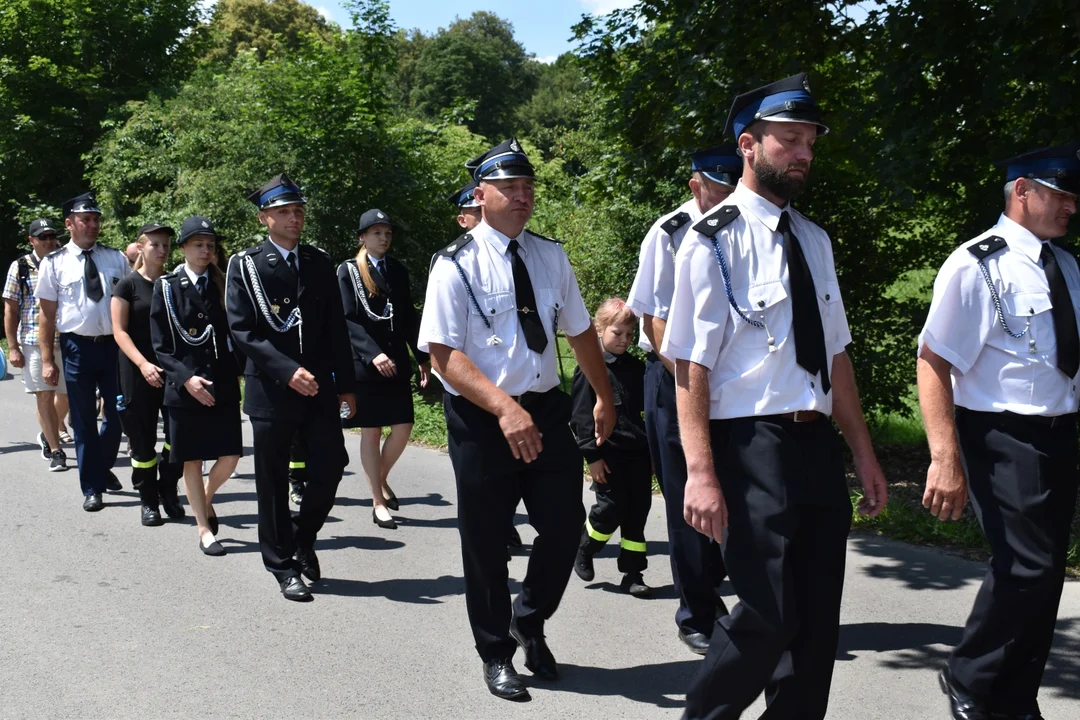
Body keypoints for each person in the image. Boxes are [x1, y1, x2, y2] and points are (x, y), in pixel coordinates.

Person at [664, 74, 888, 719]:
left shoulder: (813, 240)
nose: (803, 153)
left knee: (817, 621)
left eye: (809, 142)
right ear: (748, 144)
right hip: (749, 443)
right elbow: (690, 366)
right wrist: (700, 473)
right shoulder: (713, 241)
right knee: (769, 610)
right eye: (789, 140)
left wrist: (864, 455)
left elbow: (835, 356)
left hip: (813, 442)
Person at [418, 138, 616, 700]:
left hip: (547, 409)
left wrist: (604, 396)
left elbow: (578, 331)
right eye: (509, 188)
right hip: (483, 416)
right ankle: (495, 653)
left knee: (562, 526)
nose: (522, 197)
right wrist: (504, 409)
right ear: (481, 195)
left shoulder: (550, 255)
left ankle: (528, 619)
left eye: (528, 188)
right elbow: (444, 355)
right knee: (484, 539)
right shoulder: (453, 263)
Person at [918, 144, 1080, 720]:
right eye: (1060, 192)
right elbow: (934, 361)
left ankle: (1014, 695)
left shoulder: (1067, 265)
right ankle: (970, 676)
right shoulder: (976, 264)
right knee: (1024, 567)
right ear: (1022, 192)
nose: (1071, 205)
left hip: (1061, 435)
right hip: (1000, 436)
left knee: (1046, 575)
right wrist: (944, 457)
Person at [626, 144, 741, 654]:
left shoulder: (747, 228)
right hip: (676, 380)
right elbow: (651, 316)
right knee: (687, 497)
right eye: (718, 187)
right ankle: (696, 611)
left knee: (734, 491)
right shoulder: (669, 232)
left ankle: (721, 588)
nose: (727, 195)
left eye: (733, 185)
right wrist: (692, 377)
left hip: (733, 385)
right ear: (696, 185)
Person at [226, 174, 356, 601]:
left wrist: (346, 385)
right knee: (272, 479)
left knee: (332, 464)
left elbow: (337, 328)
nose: (294, 218)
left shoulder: (319, 262)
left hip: (318, 385)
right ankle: (282, 564)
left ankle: (302, 536)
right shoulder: (245, 265)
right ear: (265, 218)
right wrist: (286, 370)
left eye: (298, 211)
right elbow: (242, 330)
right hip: (271, 389)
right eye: (284, 212)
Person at [151, 216, 242, 556]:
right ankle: (204, 529)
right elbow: (161, 345)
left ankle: (204, 496)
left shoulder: (225, 284)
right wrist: (185, 378)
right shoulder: (168, 287)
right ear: (185, 248)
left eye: (210, 245)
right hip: (184, 386)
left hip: (221, 382)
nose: (206, 251)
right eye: (198, 245)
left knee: (230, 456)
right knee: (191, 460)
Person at [35, 192, 130, 511]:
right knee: (84, 418)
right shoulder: (54, 263)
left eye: (95, 219)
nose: (92, 225)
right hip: (77, 348)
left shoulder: (116, 258)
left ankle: (100, 467)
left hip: (114, 347)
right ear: (70, 224)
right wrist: (48, 360)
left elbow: (130, 302)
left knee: (118, 415)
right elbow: (47, 316)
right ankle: (91, 486)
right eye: (85, 219)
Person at [338, 208, 430, 530]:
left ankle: (378, 478)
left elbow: (407, 318)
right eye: (377, 233)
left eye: (388, 233)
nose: (384, 238)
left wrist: (422, 357)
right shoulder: (348, 271)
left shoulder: (398, 271)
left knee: (403, 426)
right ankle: (378, 501)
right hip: (365, 364)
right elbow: (347, 319)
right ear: (363, 237)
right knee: (372, 431)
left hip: (396, 362)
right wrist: (372, 354)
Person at [449, 181, 524, 551]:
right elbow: (443, 344)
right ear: (464, 219)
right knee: (481, 496)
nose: (481, 221)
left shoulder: (522, 254)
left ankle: (505, 522)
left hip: (522, 390)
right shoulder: (453, 263)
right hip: (475, 397)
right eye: (474, 215)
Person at [569, 297, 652, 596]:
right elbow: (579, 417)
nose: (625, 340)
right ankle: (585, 547)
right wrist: (592, 456)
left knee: (638, 512)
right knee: (611, 509)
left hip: (639, 455)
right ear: (599, 329)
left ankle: (633, 573)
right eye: (617, 333)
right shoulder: (589, 369)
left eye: (630, 335)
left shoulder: (637, 369)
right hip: (609, 455)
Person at [111, 224, 185, 526]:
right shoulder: (127, 285)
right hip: (137, 370)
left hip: (172, 370)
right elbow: (119, 331)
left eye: (166, 244)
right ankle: (148, 499)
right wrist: (143, 364)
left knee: (178, 436)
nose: (162, 249)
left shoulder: (174, 284)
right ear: (140, 247)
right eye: (155, 244)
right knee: (141, 441)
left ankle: (168, 487)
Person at [3, 218, 71, 472]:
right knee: (45, 395)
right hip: (33, 340)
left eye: (51, 235)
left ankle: (48, 431)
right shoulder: (19, 267)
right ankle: (56, 451)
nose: (48, 241)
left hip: (66, 339)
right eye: (42, 237)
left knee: (67, 396)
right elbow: (10, 309)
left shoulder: (64, 263)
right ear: (31, 240)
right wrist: (13, 347)